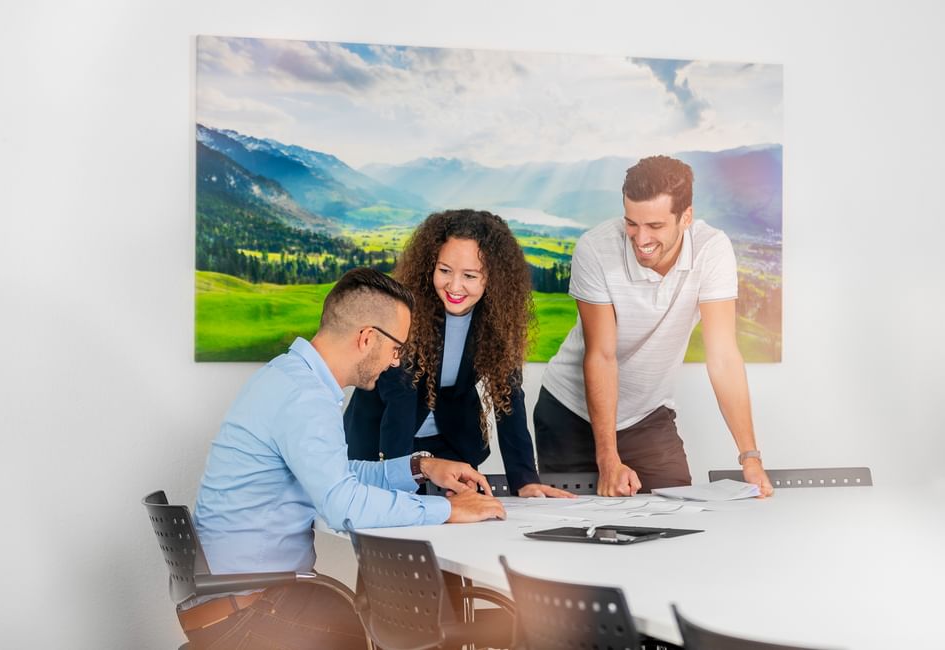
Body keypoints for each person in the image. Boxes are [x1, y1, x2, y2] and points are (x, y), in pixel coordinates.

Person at [187, 268, 506, 650]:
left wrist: (420, 466)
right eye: (396, 349)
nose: (394, 362)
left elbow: (337, 475)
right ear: (367, 338)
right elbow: (342, 504)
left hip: (238, 596)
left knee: (389, 624)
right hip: (249, 607)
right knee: (399, 632)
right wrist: (447, 510)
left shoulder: (289, 378)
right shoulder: (305, 397)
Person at [535, 155, 774, 498]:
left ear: (686, 217)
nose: (640, 238)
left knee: (680, 514)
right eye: (632, 223)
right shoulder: (597, 248)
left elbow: (722, 356)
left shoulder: (712, 250)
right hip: (570, 414)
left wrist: (749, 457)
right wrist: (608, 458)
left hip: (647, 415)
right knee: (586, 527)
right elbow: (602, 355)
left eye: (655, 226)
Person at [344, 209, 571, 498]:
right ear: (430, 266)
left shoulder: (499, 319)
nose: (454, 286)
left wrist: (524, 479)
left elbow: (508, 396)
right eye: (445, 271)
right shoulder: (404, 310)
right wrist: (398, 483)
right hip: (383, 436)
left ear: (493, 278)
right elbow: (400, 398)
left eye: (470, 276)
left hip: (450, 438)